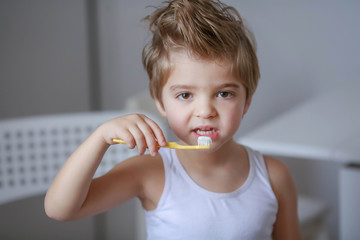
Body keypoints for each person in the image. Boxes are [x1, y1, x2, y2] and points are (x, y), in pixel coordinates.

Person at [45, 0, 302, 239]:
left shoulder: (274, 176)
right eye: (185, 94)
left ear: (247, 100)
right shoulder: (149, 170)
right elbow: (60, 209)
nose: (205, 111)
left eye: (224, 93)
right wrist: (100, 138)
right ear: (160, 102)